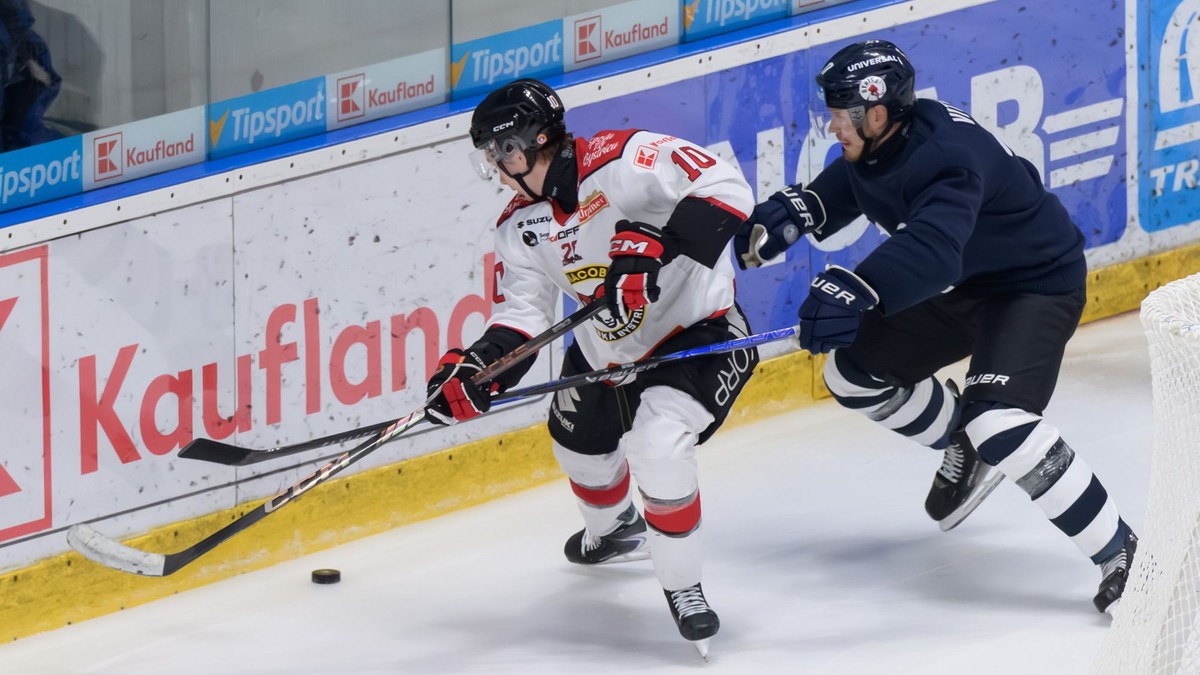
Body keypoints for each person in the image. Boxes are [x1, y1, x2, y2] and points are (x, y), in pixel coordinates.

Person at [735, 40, 1136, 614]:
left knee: (999, 422)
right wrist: (807, 208)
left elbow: (936, 252)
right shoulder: (888, 141)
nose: (832, 125)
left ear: (877, 114)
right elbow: (863, 181)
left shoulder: (948, 155)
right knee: (852, 374)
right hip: (970, 285)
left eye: (841, 113)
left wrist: (858, 286)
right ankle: (963, 443)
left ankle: (1122, 552)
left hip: (1034, 285)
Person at [424, 78, 759, 654]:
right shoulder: (517, 227)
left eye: (498, 154)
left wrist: (659, 246)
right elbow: (522, 317)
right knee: (576, 444)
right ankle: (616, 530)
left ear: (525, 145)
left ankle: (684, 586)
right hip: (608, 355)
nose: (496, 170)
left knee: (658, 447)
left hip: (698, 334)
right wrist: (478, 369)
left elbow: (726, 186)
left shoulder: (625, 160)